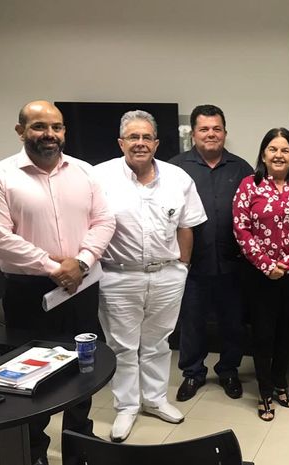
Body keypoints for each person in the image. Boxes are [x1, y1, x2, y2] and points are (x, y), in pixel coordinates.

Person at [0, 100, 116, 465]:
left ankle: (79, 439)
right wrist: (53, 266)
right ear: (20, 131)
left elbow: (104, 221)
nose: (49, 134)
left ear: (64, 131)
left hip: (81, 286)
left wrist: (82, 261)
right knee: (32, 373)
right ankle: (35, 450)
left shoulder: (85, 172)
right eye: (39, 126)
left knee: (85, 366)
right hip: (29, 291)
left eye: (56, 127)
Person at [94, 110, 207, 442]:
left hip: (167, 274)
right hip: (117, 276)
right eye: (133, 137)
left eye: (146, 137)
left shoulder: (178, 178)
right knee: (122, 346)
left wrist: (183, 267)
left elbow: (186, 225)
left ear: (156, 143)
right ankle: (127, 406)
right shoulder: (99, 177)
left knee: (159, 342)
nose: (140, 143)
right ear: (121, 143)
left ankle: (155, 399)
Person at [233, 128, 289, 421]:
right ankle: (264, 390)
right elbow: (241, 228)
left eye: (285, 150)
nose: (279, 155)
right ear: (263, 154)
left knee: (287, 330)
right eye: (273, 149)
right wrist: (267, 265)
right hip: (259, 274)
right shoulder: (249, 185)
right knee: (263, 332)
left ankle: (281, 381)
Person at [169, 105, 253, 402]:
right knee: (192, 322)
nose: (211, 134)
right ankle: (193, 373)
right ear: (193, 134)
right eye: (204, 129)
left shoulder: (241, 169)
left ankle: (229, 370)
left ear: (225, 133)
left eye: (216, 129)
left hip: (233, 263)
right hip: (192, 263)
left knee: (233, 323)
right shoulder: (175, 168)